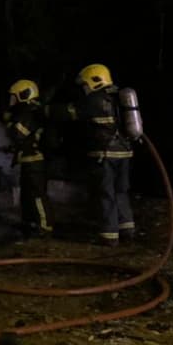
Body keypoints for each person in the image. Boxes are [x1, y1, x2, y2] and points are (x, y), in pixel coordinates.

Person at [67, 63, 134, 245]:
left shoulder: (94, 100)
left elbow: (71, 113)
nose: (85, 88)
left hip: (105, 155)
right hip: (125, 153)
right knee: (121, 192)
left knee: (106, 194)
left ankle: (109, 236)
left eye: (86, 84)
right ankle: (127, 229)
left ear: (95, 81)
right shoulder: (118, 98)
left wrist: (46, 111)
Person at [4, 79, 53, 237]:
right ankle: (30, 223)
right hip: (29, 160)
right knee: (27, 196)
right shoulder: (32, 110)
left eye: (14, 97)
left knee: (37, 195)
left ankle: (44, 226)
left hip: (34, 161)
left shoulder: (27, 112)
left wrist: (9, 123)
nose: (12, 101)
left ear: (23, 95)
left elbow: (17, 134)